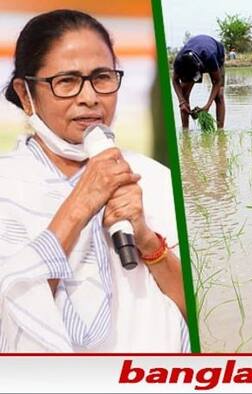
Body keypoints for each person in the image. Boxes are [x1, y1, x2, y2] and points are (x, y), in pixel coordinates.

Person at [0, 10, 188, 352]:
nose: (90, 97)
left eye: (102, 77)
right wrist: (82, 202)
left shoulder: (156, 178)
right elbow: (12, 318)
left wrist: (147, 241)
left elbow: (199, 311)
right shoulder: (8, 184)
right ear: (25, 94)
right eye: (67, 81)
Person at [172, 34, 226, 129]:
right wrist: (182, 102)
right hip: (194, 60)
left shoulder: (210, 57)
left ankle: (220, 130)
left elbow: (217, 82)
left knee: (219, 96)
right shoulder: (179, 61)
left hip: (216, 55)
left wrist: (207, 106)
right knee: (184, 94)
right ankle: (185, 130)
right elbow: (175, 80)